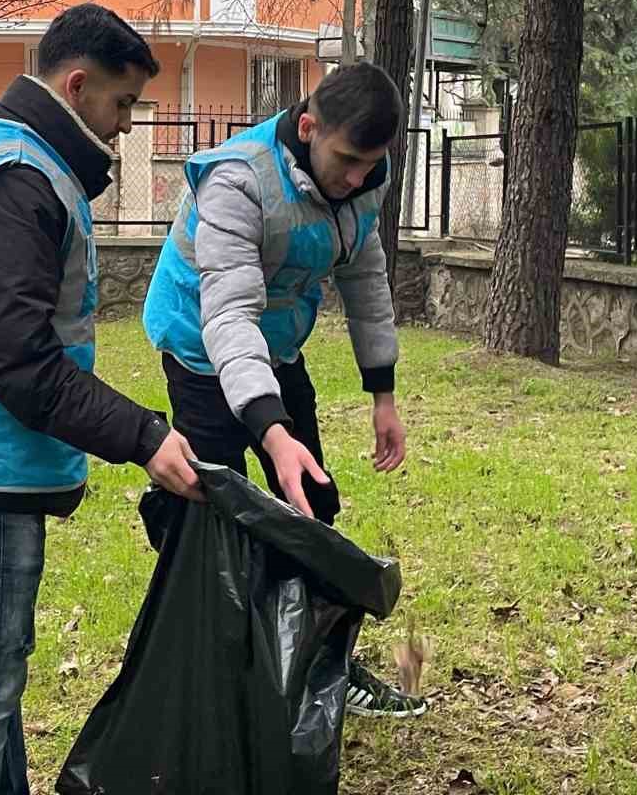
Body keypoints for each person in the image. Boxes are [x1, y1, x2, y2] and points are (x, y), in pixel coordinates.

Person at [0, 4, 202, 795]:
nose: (126, 127)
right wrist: (146, 436)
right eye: (123, 105)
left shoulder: (8, 154)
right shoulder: (17, 177)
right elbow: (20, 363)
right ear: (79, 84)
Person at [141, 59, 427, 719]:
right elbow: (229, 315)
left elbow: (364, 278)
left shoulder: (364, 180)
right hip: (201, 342)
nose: (359, 178)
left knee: (311, 502)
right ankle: (223, 672)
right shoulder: (237, 181)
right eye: (349, 159)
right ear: (308, 127)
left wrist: (381, 394)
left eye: (372, 164)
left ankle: (325, 665)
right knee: (215, 515)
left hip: (274, 345)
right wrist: (273, 431)